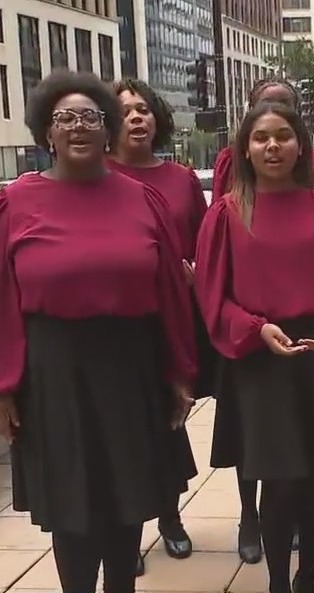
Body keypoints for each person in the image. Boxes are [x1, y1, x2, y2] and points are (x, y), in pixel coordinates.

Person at [0, 69, 196, 593]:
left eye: (90, 117)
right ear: (46, 131)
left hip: (131, 368)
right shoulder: (17, 202)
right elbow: (2, 299)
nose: (78, 126)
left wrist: (179, 370)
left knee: (128, 499)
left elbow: (171, 293)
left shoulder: (142, 199)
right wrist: (4, 384)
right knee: (72, 509)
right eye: (65, 117)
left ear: (107, 128)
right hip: (54, 375)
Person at [195, 101, 314, 593]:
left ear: (300, 146)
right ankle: (278, 581)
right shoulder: (227, 213)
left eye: (283, 136)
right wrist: (254, 329)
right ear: (245, 149)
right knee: (279, 479)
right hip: (262, 362)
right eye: (261, 138)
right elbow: (212, 296)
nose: (272, 146)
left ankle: (308, 577)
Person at [108, 77, 210, 575]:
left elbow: (207, 240)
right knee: (122, 429)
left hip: (174, 316)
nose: (136, 117)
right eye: (125, 110)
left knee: (169, 418)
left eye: (144, 109)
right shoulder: (97, 176)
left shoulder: (181, 178)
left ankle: (169, 516)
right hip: (120, 322)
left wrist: (196, 271)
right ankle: (124, 531)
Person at [212, 76, 314, 195]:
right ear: (251, 111)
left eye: (284, 105)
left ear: (297, 112)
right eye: (266, 104)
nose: (275, 111)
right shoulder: (229, 162)